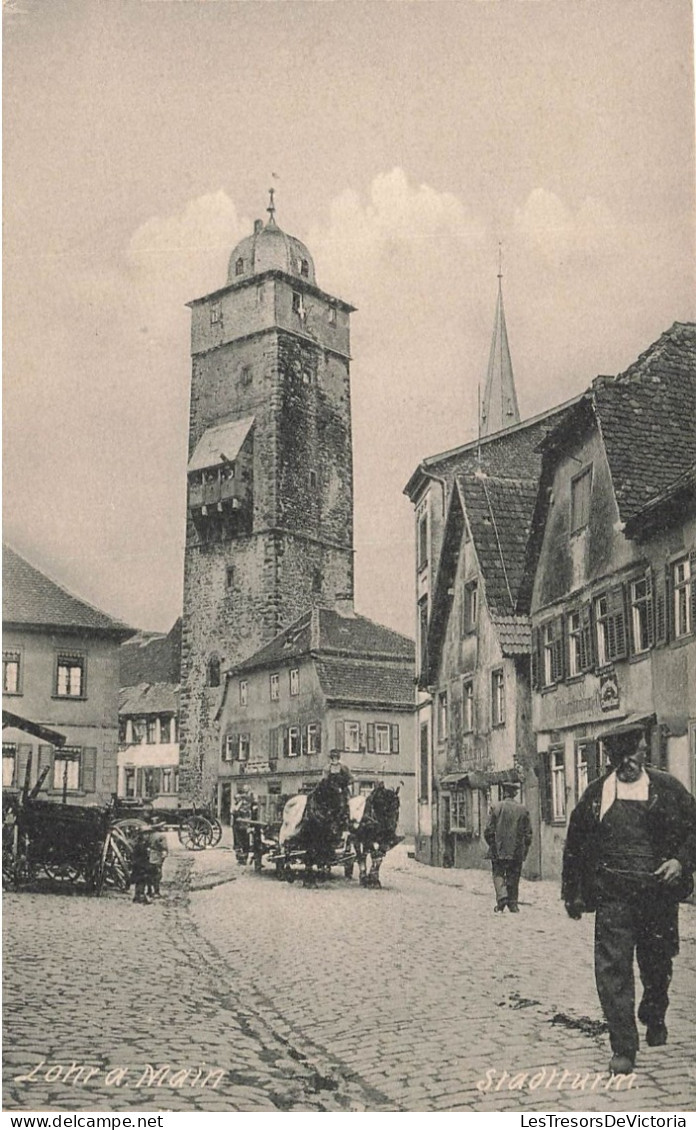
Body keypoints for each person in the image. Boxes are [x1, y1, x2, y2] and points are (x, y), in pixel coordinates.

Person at [562, 733, 696, 1076]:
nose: (626, 764)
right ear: (609, 757)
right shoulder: (597, 794)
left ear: (643, 751)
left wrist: (681, 862)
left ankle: (654, 1010)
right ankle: (623, 1046)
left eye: (632, 755)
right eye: (617, 757)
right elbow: (575, 843)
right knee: (611, 970)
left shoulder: (667, 789)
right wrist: (572, 892)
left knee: (657, 964)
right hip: (614, 896)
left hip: (657, 896)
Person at [483, 781, 532, 914]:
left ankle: (502, 897)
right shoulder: (523, 810)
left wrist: (493, 845)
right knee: (514, 876)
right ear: (515, 793)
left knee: (498, 873)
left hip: (498, 850)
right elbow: (528, 834)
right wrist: (524, 849)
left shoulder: (495, 807)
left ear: (503, 792)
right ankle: (513, 904)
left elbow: (488, 831)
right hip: (516, 850)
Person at [145, 818, 169, 898]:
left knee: (149, 874)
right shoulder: (161, 836)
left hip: (149, 856)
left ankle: (149, 891)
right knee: (157, 875)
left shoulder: (149, 835)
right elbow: (164, 847)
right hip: (157, 857)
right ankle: (156, 892)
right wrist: (165, 854)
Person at [130, 829, 152, 905]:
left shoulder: (142, 844)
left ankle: (137, 896)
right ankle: (140, 896)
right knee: (141, 880)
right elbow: (139, 857)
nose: (147, 836)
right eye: (145, 834)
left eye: (148, 834)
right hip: (140, 865)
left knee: (140, 881)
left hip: (139, 864)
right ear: (142, 835)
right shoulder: (141, 845)